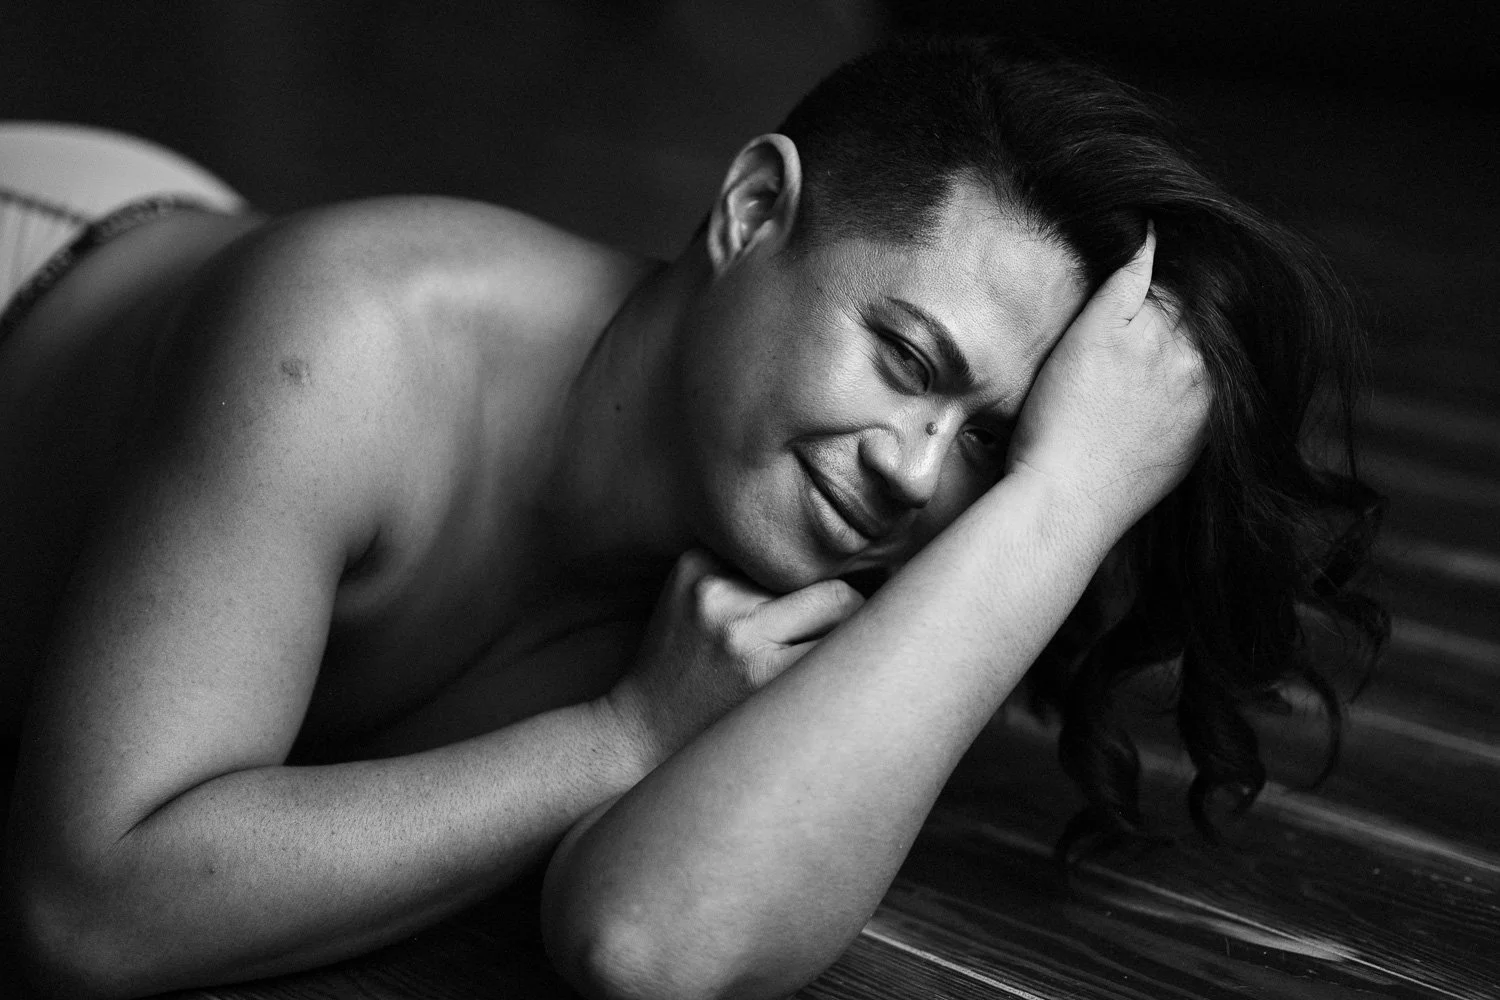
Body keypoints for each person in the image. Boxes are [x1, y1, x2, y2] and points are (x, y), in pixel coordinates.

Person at [0, 35, 1382, 1000]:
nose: (917, 474)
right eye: (907, 358)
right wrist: (621, 739)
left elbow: (653, 942)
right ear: (752, 209)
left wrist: (1062, 503)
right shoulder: (347, 343)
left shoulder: (816, 536)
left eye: (988, 442)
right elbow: (87, 910)